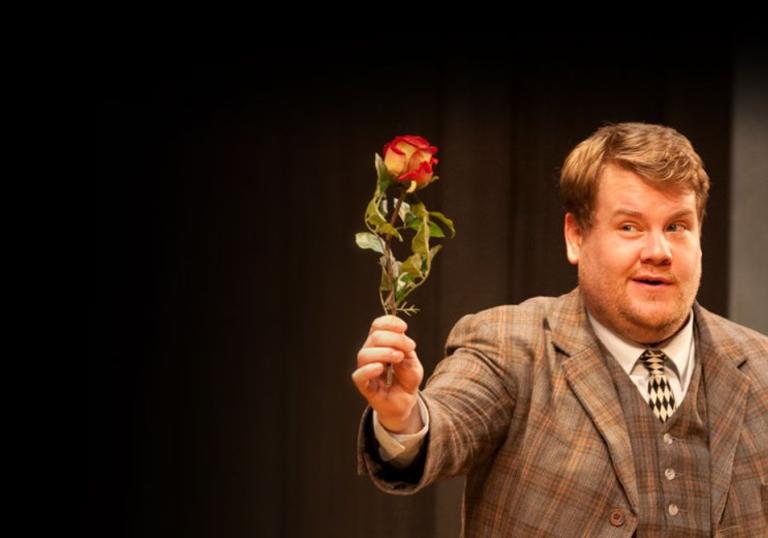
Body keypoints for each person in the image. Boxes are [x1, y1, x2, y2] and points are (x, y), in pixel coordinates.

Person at [351, 123, 768, 536]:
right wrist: (404, 417)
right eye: (630, 227)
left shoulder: (761, 369)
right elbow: (449, 423)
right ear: (576, 236)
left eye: (676, 227)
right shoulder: (508, 344)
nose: (657, 252)